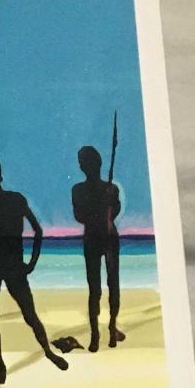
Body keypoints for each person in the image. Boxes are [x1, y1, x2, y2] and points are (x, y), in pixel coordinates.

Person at [0, 154, 68, 385]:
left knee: (2, 316)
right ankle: (31, 356)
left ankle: (7, 364)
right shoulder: (12, 200)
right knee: (21, 313)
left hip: (0, 262)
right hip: (6, 262)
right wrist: (31, 262)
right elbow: (37, 231)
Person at [71, 145, 125, 351]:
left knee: (99, 287)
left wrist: (106, 206)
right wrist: (103, 206)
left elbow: (82, 216)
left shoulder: (101, 189)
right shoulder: (109, 189)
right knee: (107, 286)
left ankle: (104, 331)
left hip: (98, 238)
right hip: (104, 237)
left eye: (82, 162)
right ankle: (104, 330)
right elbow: (83, 215)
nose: (82, 166)